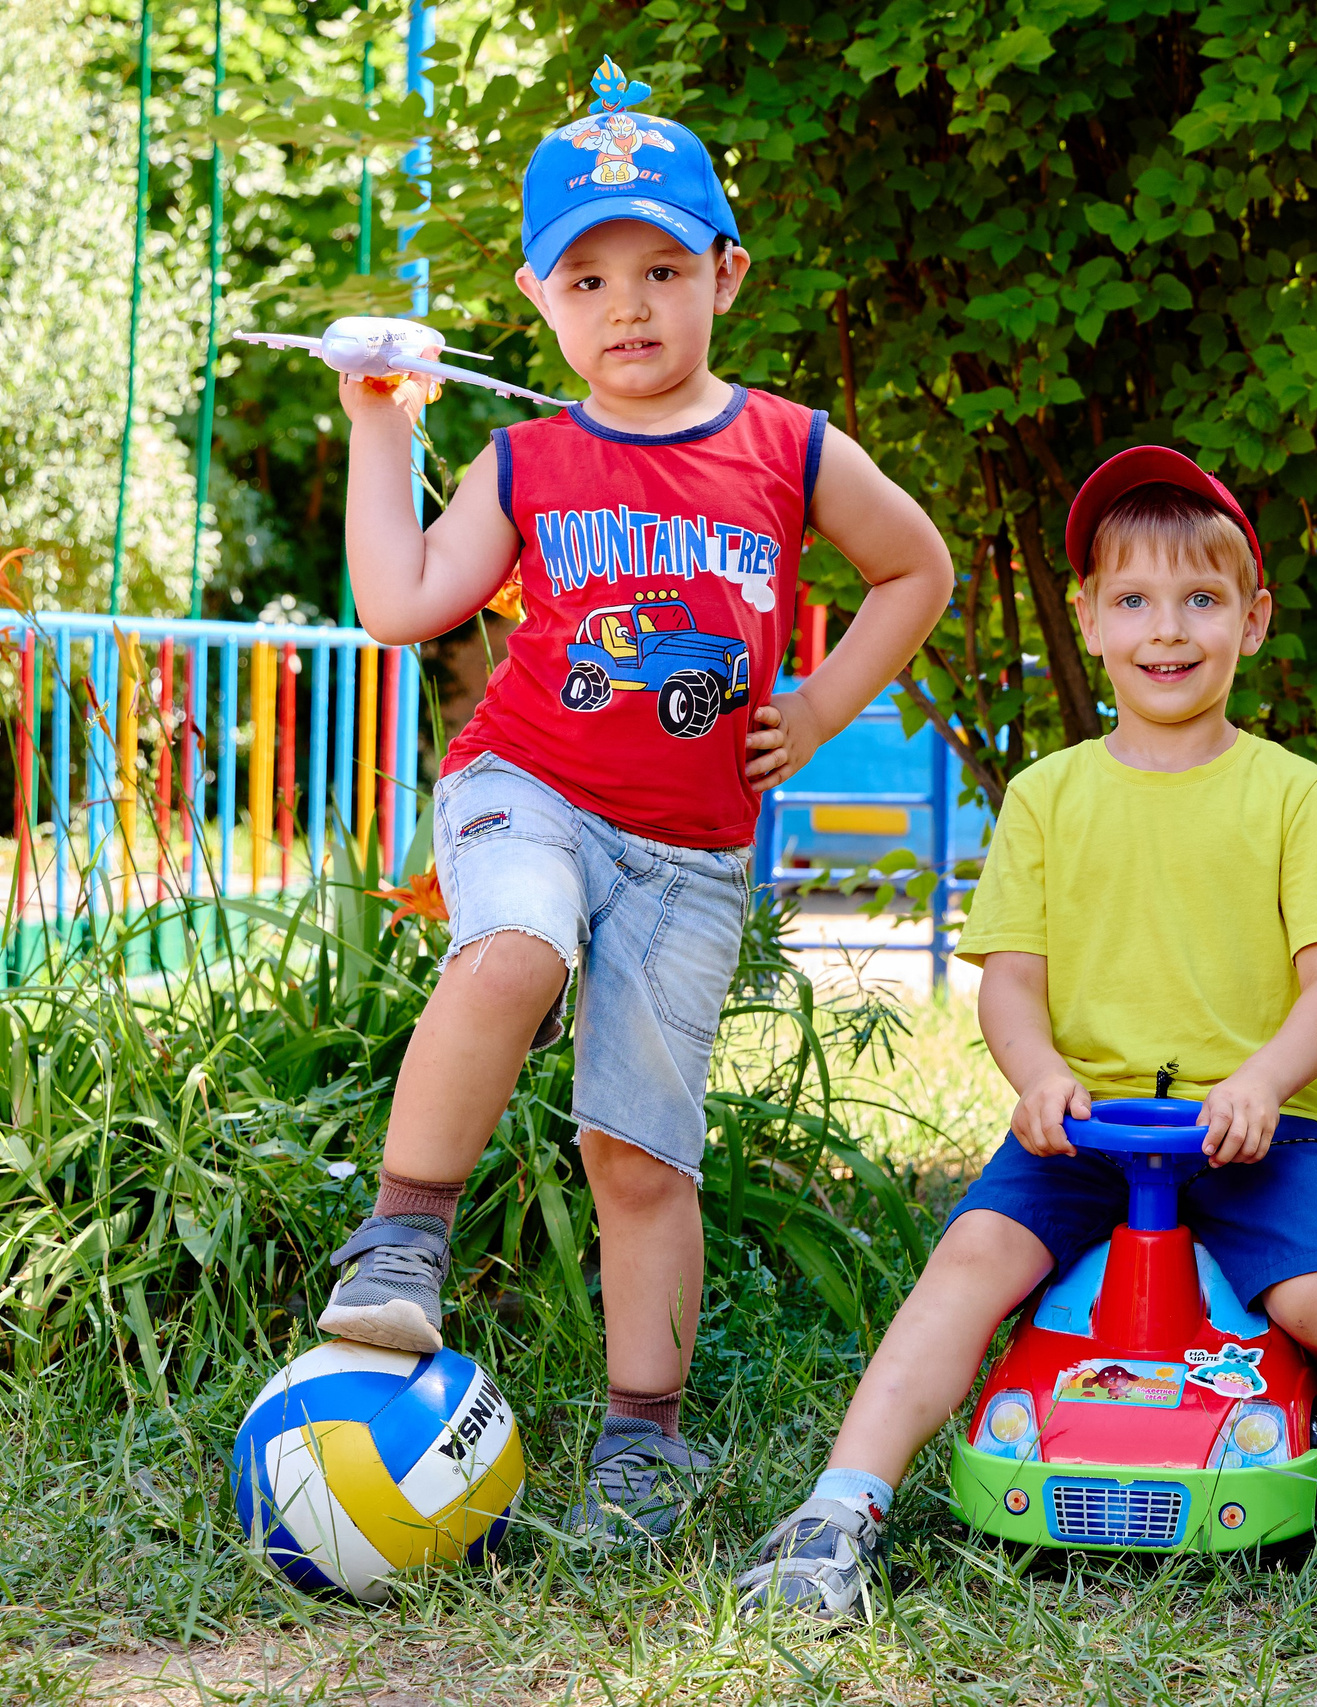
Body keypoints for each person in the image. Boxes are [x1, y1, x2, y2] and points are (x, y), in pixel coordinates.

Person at [315, 60, 953, 1543]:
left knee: (640, 1150)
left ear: (725, 272)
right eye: (589, 275)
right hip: (523, 782)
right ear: (541, 299)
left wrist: (825, 699)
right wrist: (380, 425)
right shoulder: (529, 455)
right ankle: (403, 1238)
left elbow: (915, 566)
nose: (629, 305)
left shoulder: (787, 446)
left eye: (663, 267)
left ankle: (643, 1445)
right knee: (516, 946)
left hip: (691, 851)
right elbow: (405, 603)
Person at [735, 447, 1317, 1620]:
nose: (1164, 631)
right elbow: (1011, 984)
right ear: (1085, 621)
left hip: (1264, 1129)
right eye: (1131, 601)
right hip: (1086, 1127)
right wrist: (1037, 1077)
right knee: (967, 1262)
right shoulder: (1048, 795)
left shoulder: (1289, 793)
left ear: (1253, 620)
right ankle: (839, 1508)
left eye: (1200, 601)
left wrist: (1266, 1080)